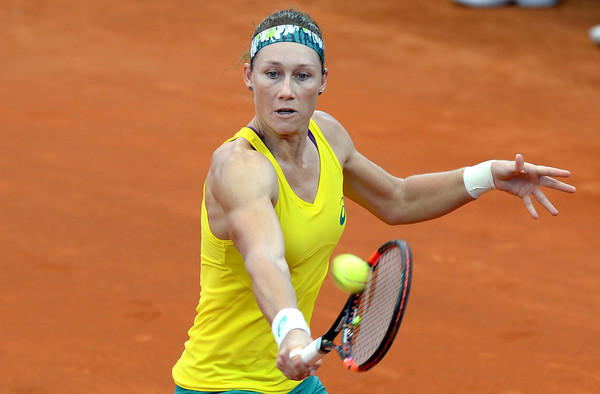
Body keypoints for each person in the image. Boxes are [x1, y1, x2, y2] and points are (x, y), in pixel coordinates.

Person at [171, 8, 575, 394]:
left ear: (323, 81)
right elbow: (265, 257)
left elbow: (397, 199)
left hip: (290, 384)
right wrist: (292, 332)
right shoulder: (239, 166)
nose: (286, 92)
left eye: (303, 76)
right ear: (249, 76)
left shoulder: (326, 136)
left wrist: (487, 174)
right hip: (220, 384)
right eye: (272, 74)